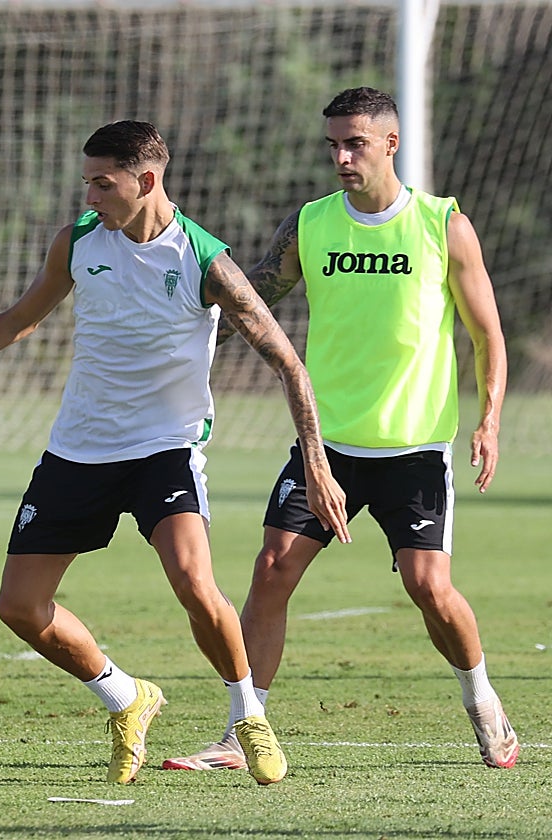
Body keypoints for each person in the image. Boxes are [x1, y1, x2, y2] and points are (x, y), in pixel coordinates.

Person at [0, 120, 349, 786]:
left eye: (102, 182)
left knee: (194, 583)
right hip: (78, 450)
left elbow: (289, 365)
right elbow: (18, 320)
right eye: (86, 180)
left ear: (146, 181)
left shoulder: (204, 261)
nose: (89, 195)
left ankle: (247, 718)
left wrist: (316, 465)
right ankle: (127, 697)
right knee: (19, 608)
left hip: (163, 452)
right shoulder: (79, 241)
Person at [162, 87, 518, 773]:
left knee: (428, 588)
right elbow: (256, 291)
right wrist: (179, 298)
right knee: (271, 571)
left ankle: (484, 703)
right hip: (324, 447)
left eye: (354, 143)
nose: (341, 156)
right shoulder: (311, 224)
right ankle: (244, 732)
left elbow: (486, 333)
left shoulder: (443, 226)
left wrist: (491, 420)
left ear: (391, 143)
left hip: (413, 450)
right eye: (333, 144)